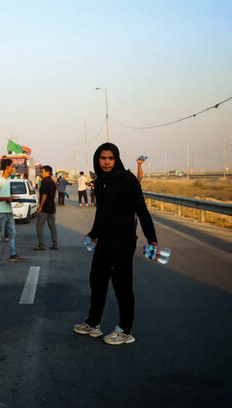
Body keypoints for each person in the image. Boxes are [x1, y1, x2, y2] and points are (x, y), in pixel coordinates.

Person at [73, 143, 158, 345]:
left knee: (122, 287)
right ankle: (93, 323)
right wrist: (94, 233)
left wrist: (152, 239)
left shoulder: (127, 180)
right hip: (104, 242)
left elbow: (142, 211)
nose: (107, 162)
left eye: (110, 158)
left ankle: (125, 330)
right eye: (103, 158)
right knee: (97, 282)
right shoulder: (101, 182)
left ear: (116, 158)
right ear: (97, 159)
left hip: (122, 243)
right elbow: (102, 213)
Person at [0, 158, 23, 262]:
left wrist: (12, 197)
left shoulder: (8, 180)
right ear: (7, 167)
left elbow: (5, 195)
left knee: (12, 233)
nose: (13, 168)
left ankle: (13, 254)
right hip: (1, 212)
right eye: (12, 166)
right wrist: (6, 198)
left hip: (9, 211)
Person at [34, 165, 58, 251]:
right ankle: (55, 244)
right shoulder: (52, 182)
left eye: (42, 172)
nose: (41, 174)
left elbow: (44, 195)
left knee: (39, 226)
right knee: (52, 227)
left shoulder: (44, 181)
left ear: (47, 172)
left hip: (45, 208)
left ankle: (41, 245)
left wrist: (40, 207)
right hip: (51, 207)